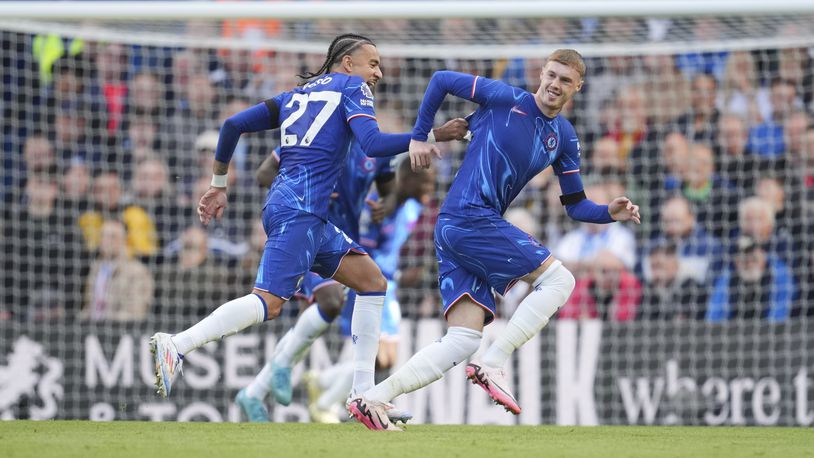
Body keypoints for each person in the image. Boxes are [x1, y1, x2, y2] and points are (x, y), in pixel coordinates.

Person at [148, 34, 464, 402]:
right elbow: (374, 145)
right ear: (348, 63)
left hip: (301, 211)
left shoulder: (294, 96)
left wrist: (219, 184)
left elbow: (232, 124)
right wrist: (431, 134)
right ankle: (178, 344)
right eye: (372, 63)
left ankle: (364, 395)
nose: (379, 72)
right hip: (299, 210)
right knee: (268, 302)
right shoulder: (353, 88)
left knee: (372, 282)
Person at [349, 49, 640, 431]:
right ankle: (494, 363)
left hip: (461, 226)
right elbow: (440, 80)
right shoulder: (506, 98)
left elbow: (575, 204)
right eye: (551, 75)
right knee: (561, 280)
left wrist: (608, 212)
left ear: (578, 87)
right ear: (541, 73)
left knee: (463, 339)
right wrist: (419, 137)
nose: (555, 84)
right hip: (469, 217)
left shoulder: (564, 137)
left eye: (565, 80)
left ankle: (373, 399)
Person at [234, 125, 465, 422]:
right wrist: (303, 191)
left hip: (345, 247)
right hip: (314, 234)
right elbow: (264, 174)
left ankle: (259, 388)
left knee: (314, 324)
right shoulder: (314, 141)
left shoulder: (376, 152)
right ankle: (329, 393)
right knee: (329, 308)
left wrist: (387, 202)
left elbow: (388, 190)